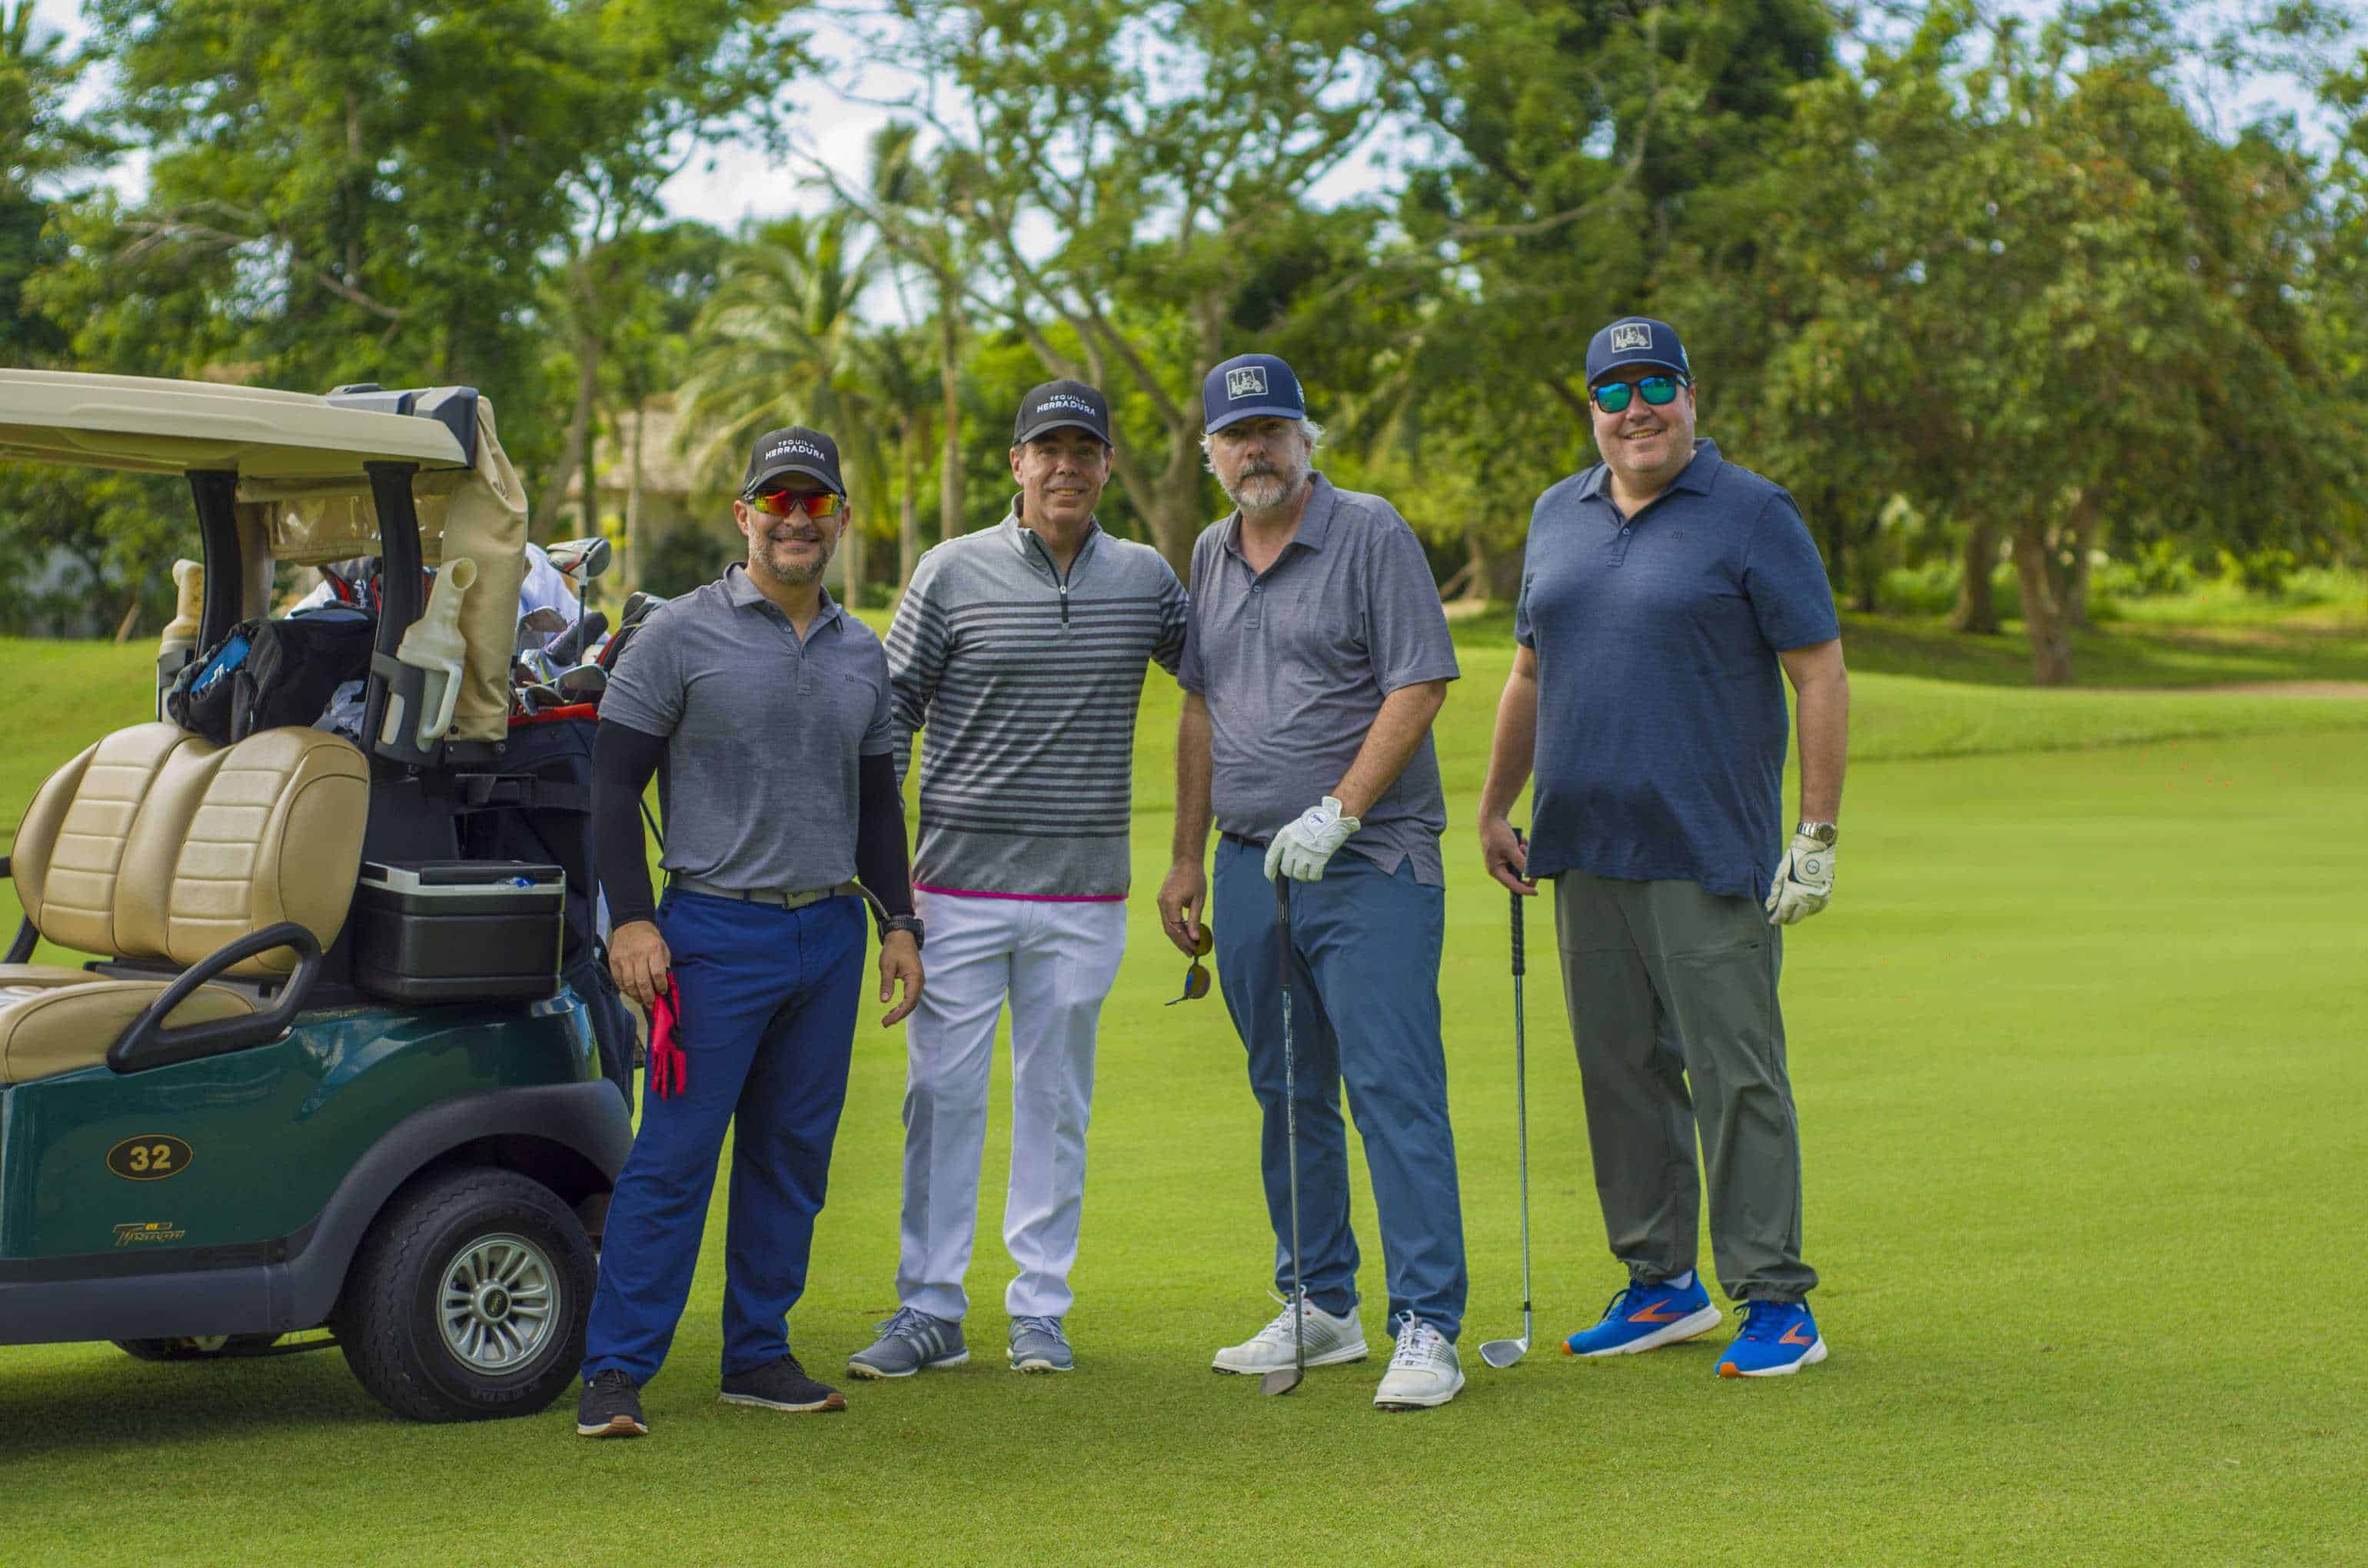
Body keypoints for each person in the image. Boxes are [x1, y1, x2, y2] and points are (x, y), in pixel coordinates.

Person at [1476, 316, 1850, 1380]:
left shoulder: (1753, 514)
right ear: (1591, 408)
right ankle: (1661, 1286)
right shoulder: (1559, 514)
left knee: (1738, 1077)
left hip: (1708, 846)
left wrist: (1815, 834)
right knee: (1619, 1072)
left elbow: (1817, 674)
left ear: (1691, 395)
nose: (1636, 408)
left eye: (1656, 385)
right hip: (1585, 844)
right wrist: (1497, 802)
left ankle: (1777, 1300)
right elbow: (1529, 673)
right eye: (1614, 391)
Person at [574, 427, 926, 1438]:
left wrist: (898, 921)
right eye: (779, 502)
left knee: (791, 1159)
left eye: (816, 504)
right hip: (711, 934)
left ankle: (757, 1356)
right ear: (745, 517)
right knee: (674, 1158)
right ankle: (615, 1372)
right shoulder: (678, 634)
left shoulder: (864, 653)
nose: (796, 520)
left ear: (840, 521)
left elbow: (875, 802)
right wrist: (631, 919)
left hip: (828, 937)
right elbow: (611, 785)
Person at [854, 381, 1188, 1380]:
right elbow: (891, 715)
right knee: (941, 1098)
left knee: (1054, 1104)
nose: (1067, 467)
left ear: (1108, 467)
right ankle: (930, 1310)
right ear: (1016, 465)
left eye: (1086, 450)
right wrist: (887, 887)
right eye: (1049, 449)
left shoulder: (1145, 579)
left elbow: (1221, 674)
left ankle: (1040, 1307)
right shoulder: (950, 572)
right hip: (955, 886)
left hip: (1084, 892)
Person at [1156, 352, 1471, 1410]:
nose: (1258, 451)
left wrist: (1340, 809)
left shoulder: (1370, 530)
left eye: (1274, 431)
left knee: (1390, 1087)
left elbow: (1420, 680)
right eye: (1237, 437)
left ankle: (1428, 1322)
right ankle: (1321, 1305)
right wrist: (1186, 854)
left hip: (1370, 863)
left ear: (1305, 440)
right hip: (1249, 868)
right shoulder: (1208, 549)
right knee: (1287, 1091)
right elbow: (1201, 709)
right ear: (1210, 454)